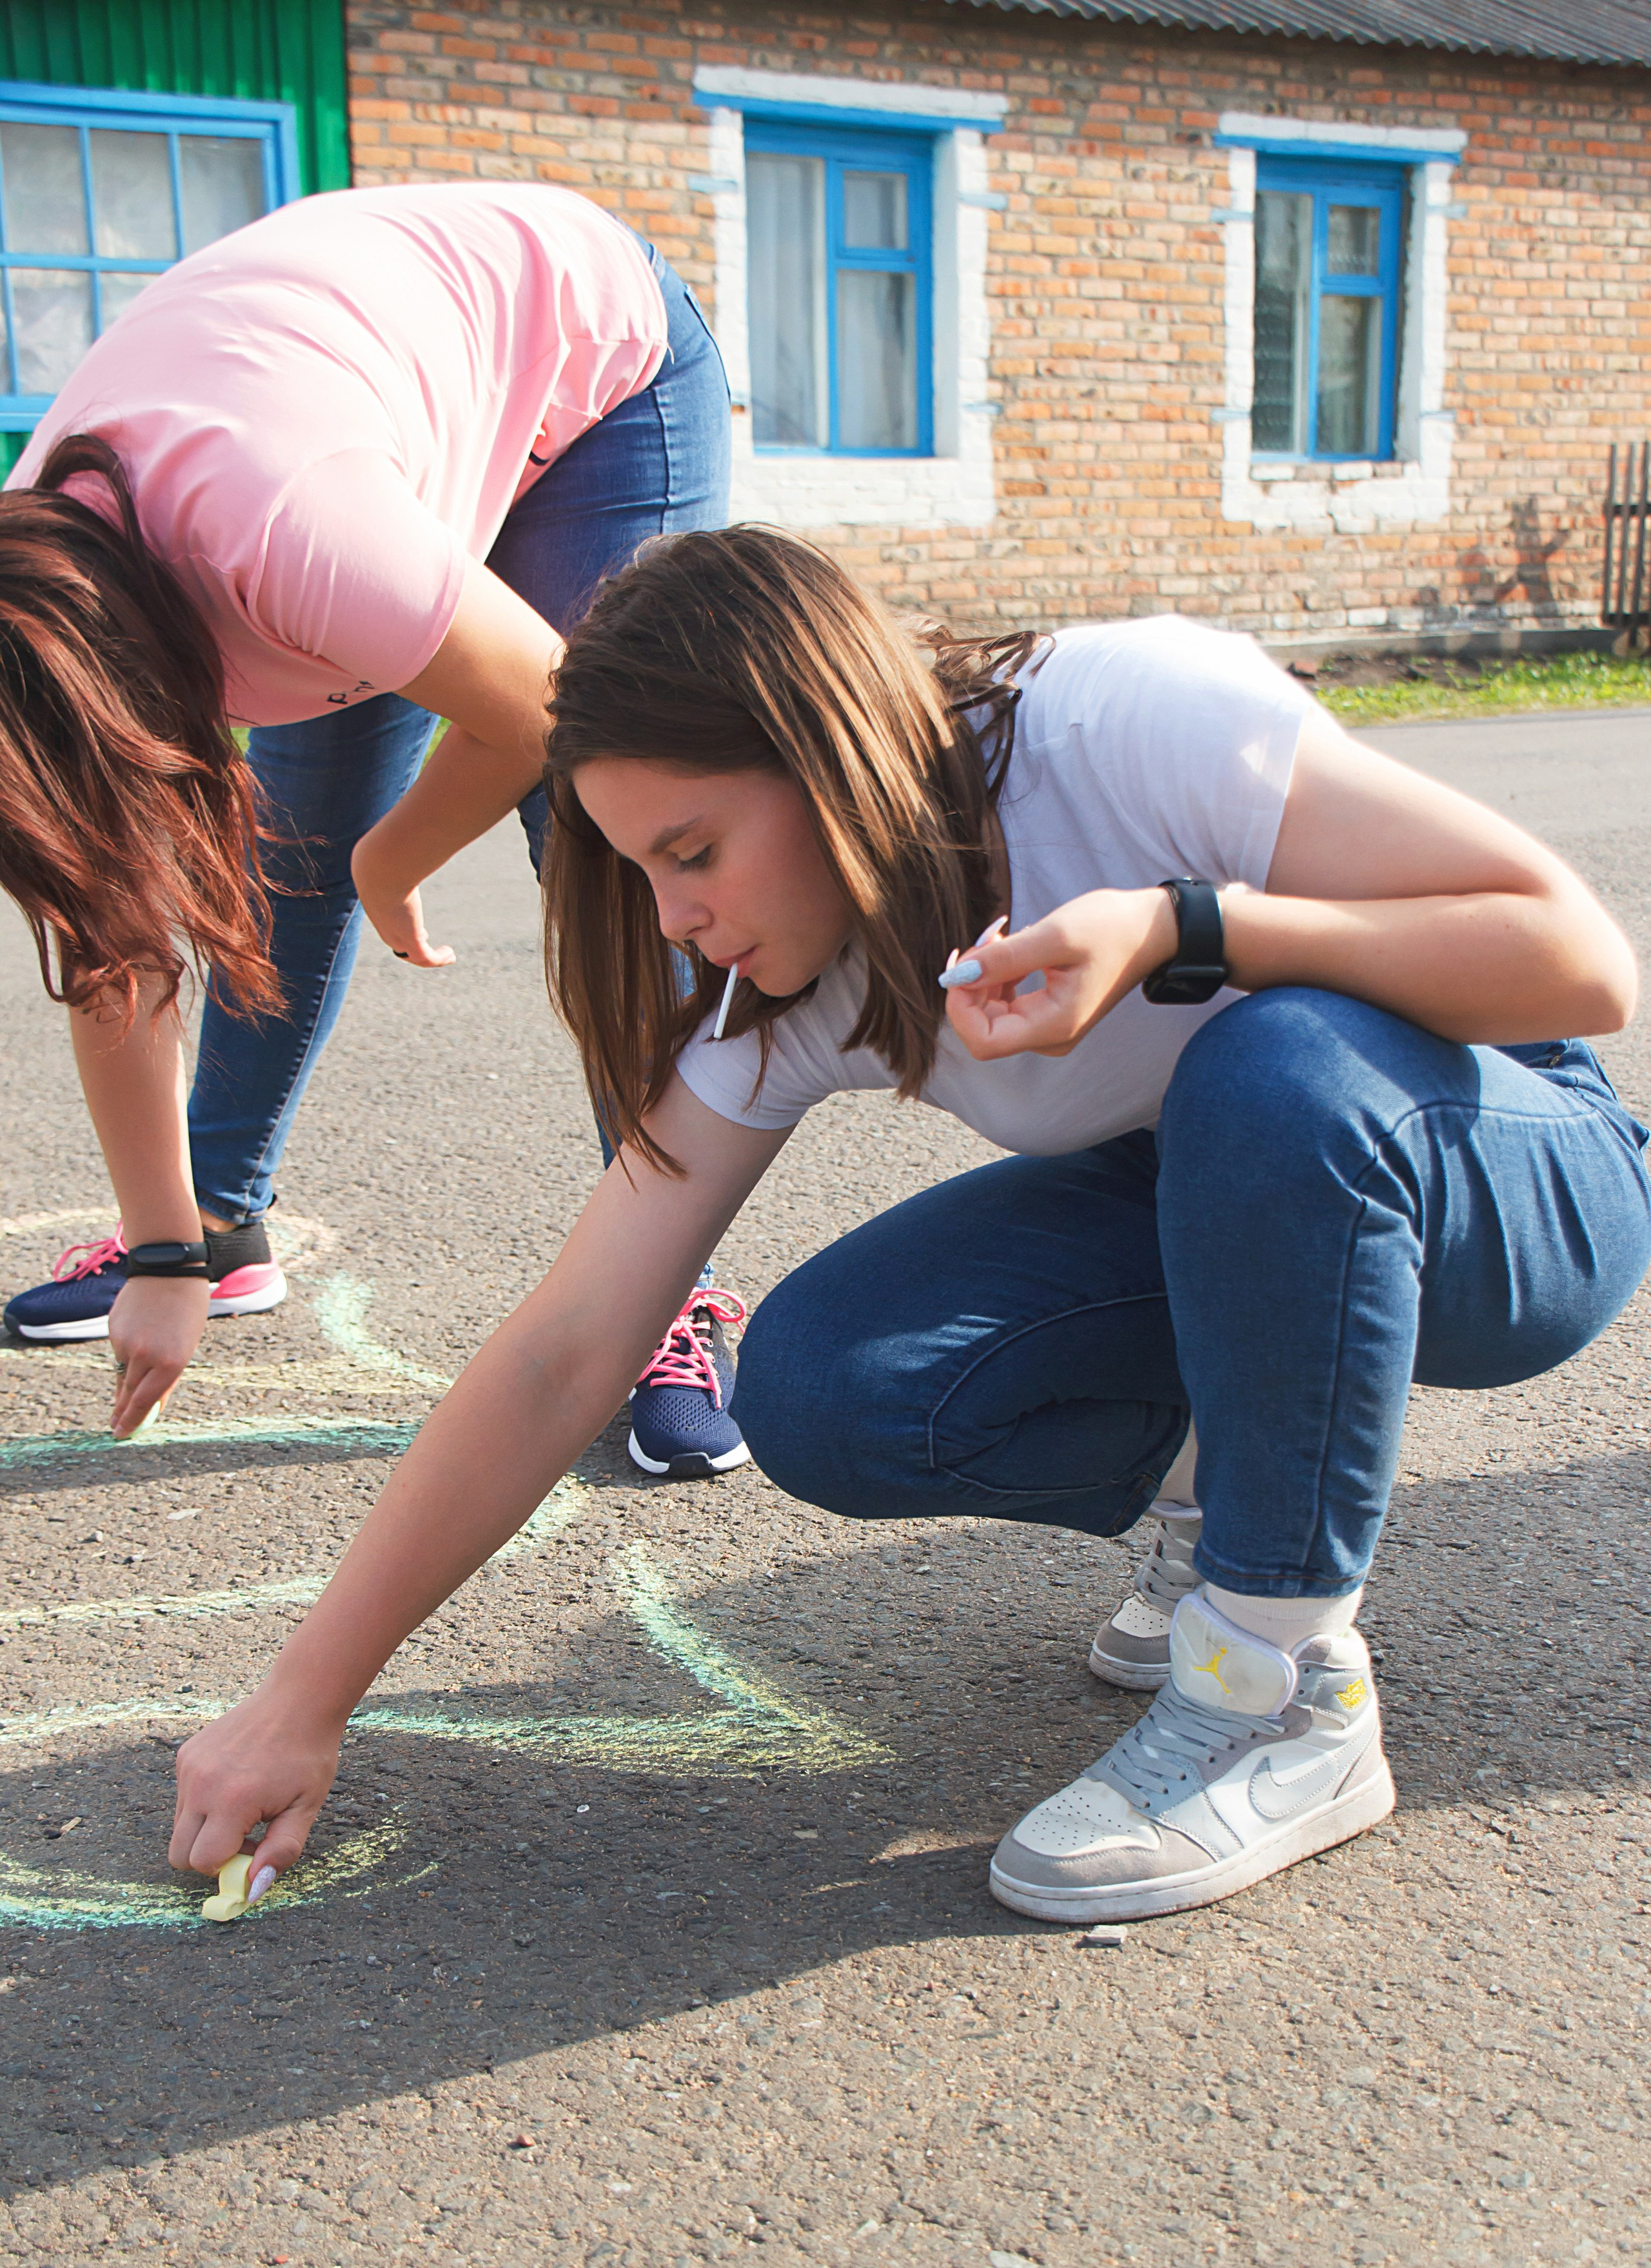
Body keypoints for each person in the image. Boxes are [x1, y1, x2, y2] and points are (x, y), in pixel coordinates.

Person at [168, 529, 1650, 1926]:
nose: (671, 914)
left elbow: (1578, 965)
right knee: (828, 1380)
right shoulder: (776, 994)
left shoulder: (1122, 722)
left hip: (1506, 1167)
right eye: (637, 868)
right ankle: (1240, 1514)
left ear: (825, 754)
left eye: (691, 850)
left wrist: (1184, 928)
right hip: (1226, 1210)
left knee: (1267, 1066)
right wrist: (303, 1699)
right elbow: (568, 1351)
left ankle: (1277, 1692)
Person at [0, 179, 746, 1481]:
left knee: (606, 830)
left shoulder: (290, 539)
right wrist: (163, 1247)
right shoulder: (34, 612)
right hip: (358, 402)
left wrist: (393, 857)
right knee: (278, 865)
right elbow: (111, 939)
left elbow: (545, 711)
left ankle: (658, 1297)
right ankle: (225, 1232)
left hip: (584, 368)